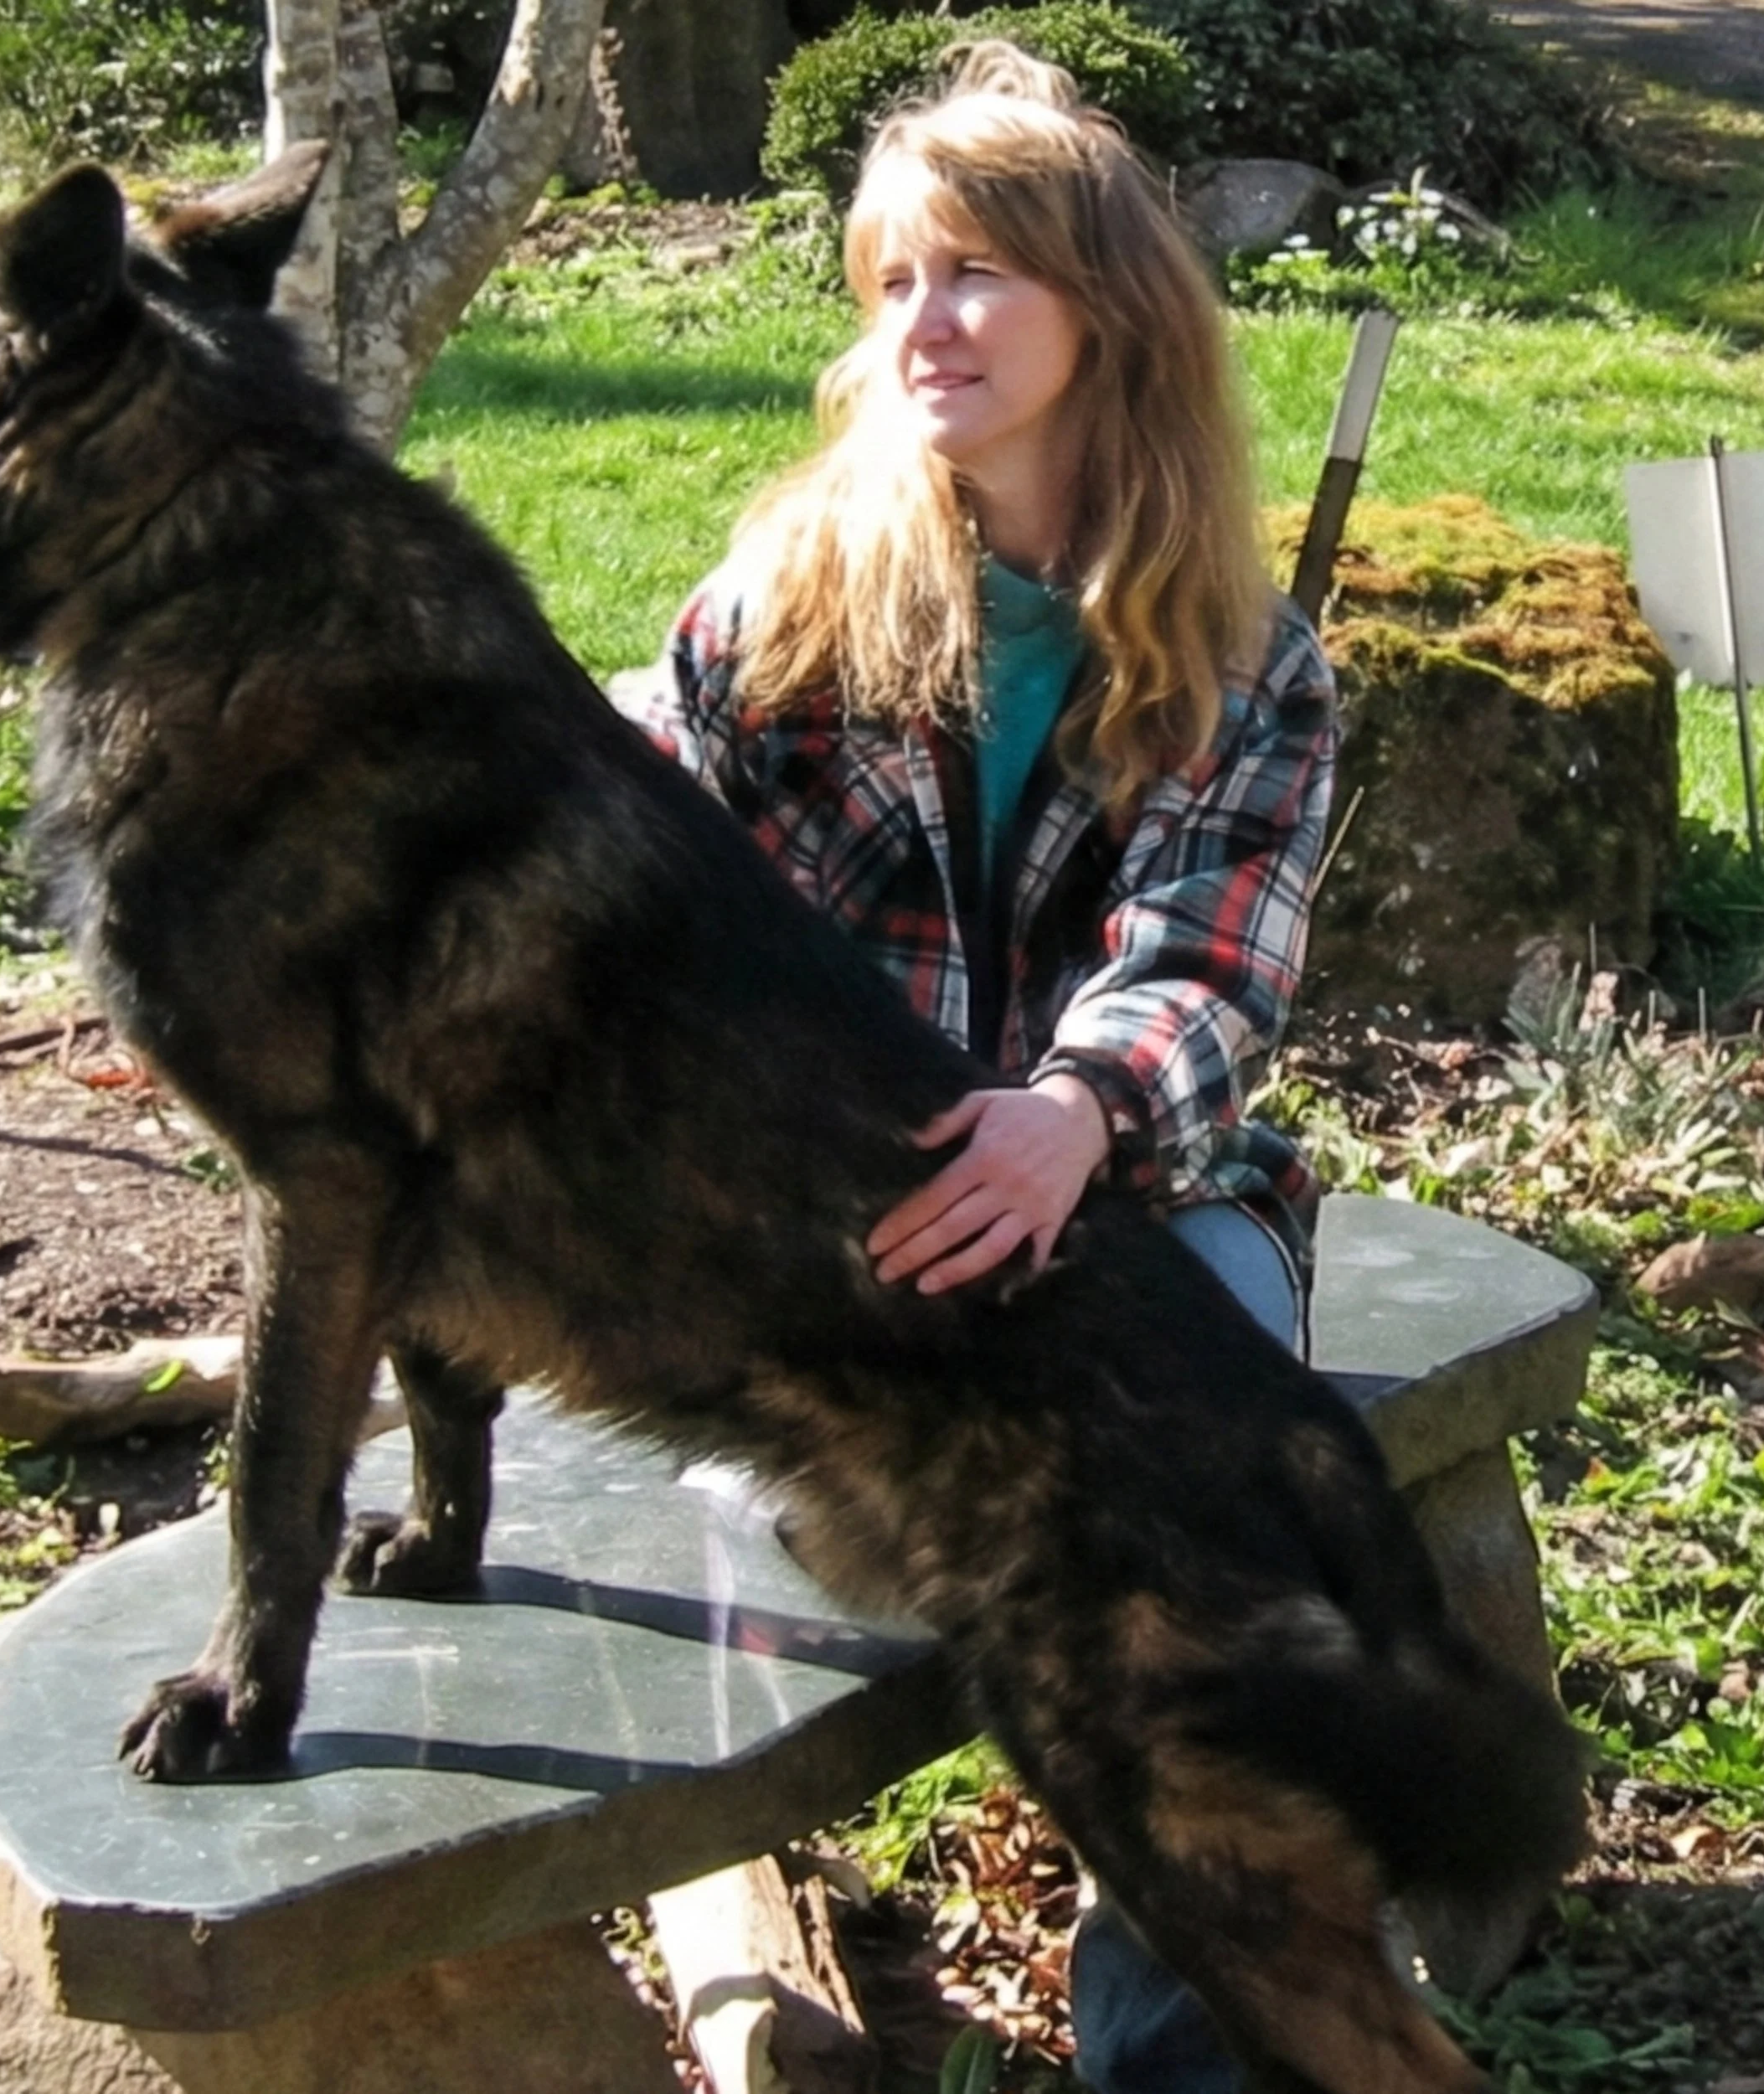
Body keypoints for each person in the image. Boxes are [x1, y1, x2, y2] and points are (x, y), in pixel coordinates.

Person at [611, 39, 1337, 2094]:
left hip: (1146, 1201)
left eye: (976, 275)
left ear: (1102, 304)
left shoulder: (1242, 658)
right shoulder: (776, 610)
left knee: (1179, 1538)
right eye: (891, 279)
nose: (922, 324)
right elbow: (643, 930)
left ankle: (1190, 2055)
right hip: (835, 1242)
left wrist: (1075, 1116)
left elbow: (1211, 967)